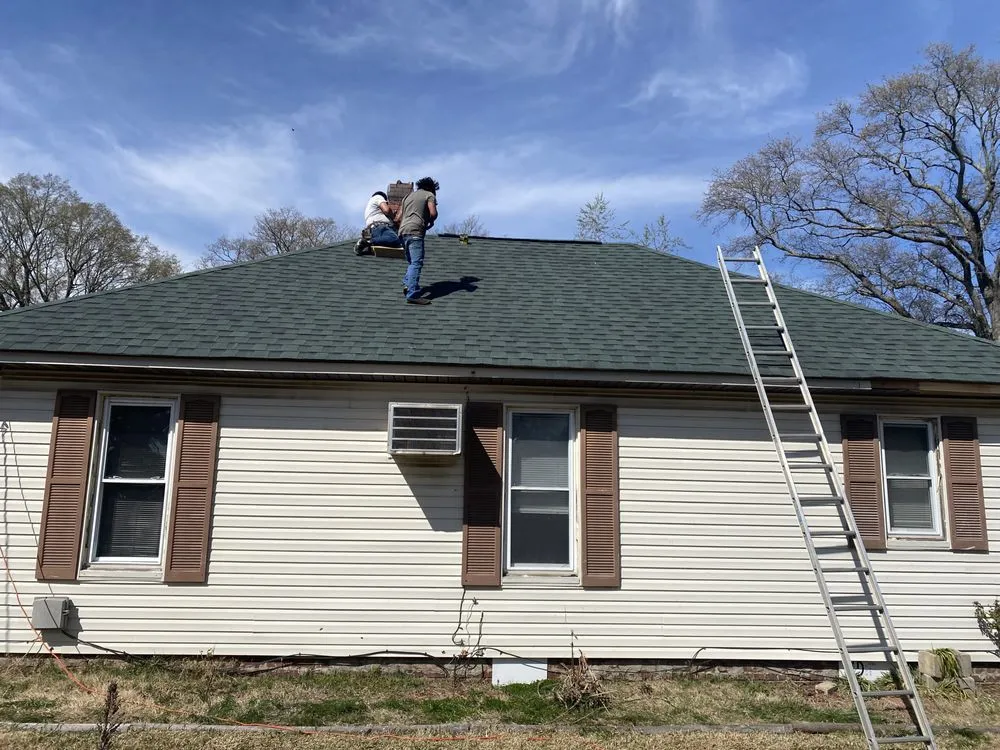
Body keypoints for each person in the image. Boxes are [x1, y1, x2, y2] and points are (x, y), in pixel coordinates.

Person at [397, 177, 438, 306]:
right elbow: (433, 213)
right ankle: (412, 294)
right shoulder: (429, 195)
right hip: (415, 232)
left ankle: (407, 284)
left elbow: (398, 217)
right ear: (431, 188)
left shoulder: (407, 197)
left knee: (411, 262)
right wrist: (431, 221)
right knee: (416, 263)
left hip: (403, 232)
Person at [355, 191, 401, 255]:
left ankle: (366, 245)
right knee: (395, 239)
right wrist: (394, 218)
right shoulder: (378, 197)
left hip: (375, 229)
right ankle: (367, 242)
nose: (386, 203)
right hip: (381, 227)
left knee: (394, 242)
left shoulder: (371, 208)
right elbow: (386, 210)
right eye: (385, 202)